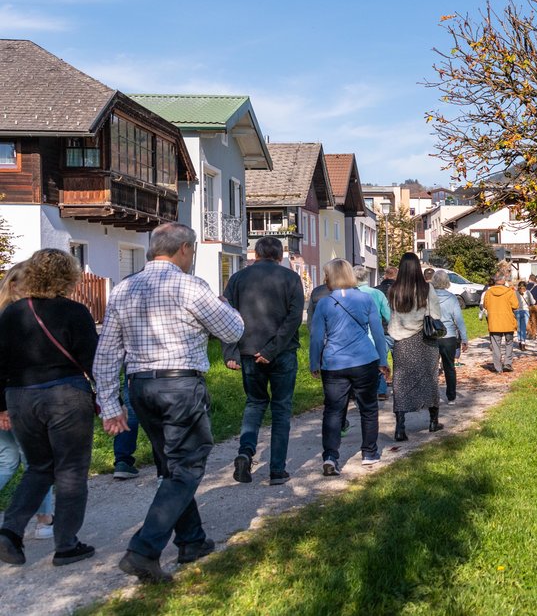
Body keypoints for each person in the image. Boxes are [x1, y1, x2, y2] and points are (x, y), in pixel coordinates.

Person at [94, 223, 245, 585]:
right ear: (183, 250)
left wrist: (110, 402)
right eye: (191, 252)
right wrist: (225, 307)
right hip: (180, 386)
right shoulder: (191, 286)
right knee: (187, 467)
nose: (191, 258)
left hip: (140, 388)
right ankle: (144, 550)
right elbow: (233, 331)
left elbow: (107, 353)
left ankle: (191, 541)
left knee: (171, 466)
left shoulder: (124, 288)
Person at [0, 251, 97, 567]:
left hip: (20, 398)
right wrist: (110, 400)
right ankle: (66, 544)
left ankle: (10, 533)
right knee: (71, 469)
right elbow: (92, 361)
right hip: (65, 395)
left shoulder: (11, 313)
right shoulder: (74, 311)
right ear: (68, 277)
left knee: (39, 467)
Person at [224, 237, 305, 486]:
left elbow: (226, 315)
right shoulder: (291, 279)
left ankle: (245, 453)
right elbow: (293, 319)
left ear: (255, 254)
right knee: (281, 410)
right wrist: (272, 349)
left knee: (255, 404)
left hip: (248, 351)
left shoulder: (237, 279)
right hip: (282, 353)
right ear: (280, 256)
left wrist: (230, 352)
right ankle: (277, 470)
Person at [309, 260, 389, 475]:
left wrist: (314, 361)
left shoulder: (324, 303)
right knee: (368, 408)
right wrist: (383, 360)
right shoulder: (366, 299)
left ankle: (330, 456)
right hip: (365, 360)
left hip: (334, 363)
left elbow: (316, 337)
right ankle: (369, 453)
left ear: (331, 277)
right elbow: (378, 331)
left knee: (333, 410)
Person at [386, 253, 443, 441]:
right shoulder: (427, 289)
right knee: (430, 378)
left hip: (402, 342)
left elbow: (392, 316)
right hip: (424, 340)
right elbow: (435, 314)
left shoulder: (394, 290)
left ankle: (400, 427)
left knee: (401, 383)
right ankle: (433, 421)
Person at [430, 270, 468, 403]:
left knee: (432, 368)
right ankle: (451, 396)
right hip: (449, 336)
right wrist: (464, 338)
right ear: (447, 282)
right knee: (449, 367)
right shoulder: (452, 298)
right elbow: (459, 319)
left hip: (432, 336)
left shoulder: (428, 297)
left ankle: (433, 396)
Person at [480, 276, 520, 372]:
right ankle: (507, 363)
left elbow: (485, 305)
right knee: (509, 343)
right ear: (504, 282)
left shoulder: (488, 292)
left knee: (496, 345)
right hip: (508, 321)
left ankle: (498, 367)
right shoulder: (510, 292)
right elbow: (515, 305)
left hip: (494, 322)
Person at [514, 282, 530, 350]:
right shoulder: (528, 292)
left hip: (517, 311)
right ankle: (523, 343)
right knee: (523, 327)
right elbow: (533, 301)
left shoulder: (515, 293)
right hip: (525, 310)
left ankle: (520, 341)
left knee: (519, 327)